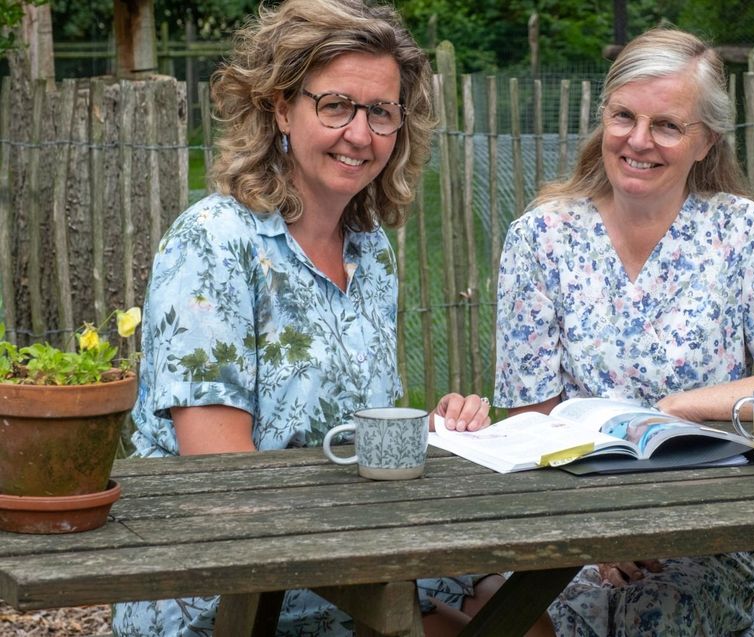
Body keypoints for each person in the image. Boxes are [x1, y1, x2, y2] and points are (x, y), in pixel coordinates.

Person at [112, 1, 527, 635]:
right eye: (335, 105)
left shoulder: (370, 249)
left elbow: (355, 438)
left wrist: (439, 433)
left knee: (519, 613)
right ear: (281, 108)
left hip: (348, 555)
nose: (359, 134)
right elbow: (221, 476)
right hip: (227, 585)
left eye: (381, 112)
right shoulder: (215, 243)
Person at [494, 27, 754, 636]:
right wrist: (594, 534)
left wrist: (680, 407)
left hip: (706, 530)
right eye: (624, 116)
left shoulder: (743, 236)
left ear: (705, 140)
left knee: (663, 618)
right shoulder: (541, 239)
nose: (639, 140)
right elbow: (532, 419)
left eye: (667, 125)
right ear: (602, 120)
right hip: (572, 529)